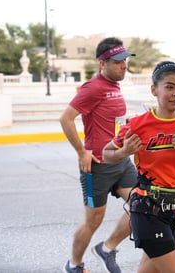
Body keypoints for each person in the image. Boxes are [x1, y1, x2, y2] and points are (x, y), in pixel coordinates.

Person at [103, 61, 175, 273]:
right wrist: (123, 152)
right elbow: (106, 154)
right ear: (154, 90)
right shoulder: (137, 125)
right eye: (170, 86)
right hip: (148, 210)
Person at [59, 37, 137, 273]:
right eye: (117, 62)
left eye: (125, 60)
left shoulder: (114, 85)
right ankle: (73, 265)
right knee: (93, 220)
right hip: (98, 166)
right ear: (102, 64)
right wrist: (81, 152)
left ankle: (107, 248)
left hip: (121, 160)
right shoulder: (93, 88)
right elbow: (66, 118)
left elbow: (110, 122)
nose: (124, 65)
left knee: (144, 206)